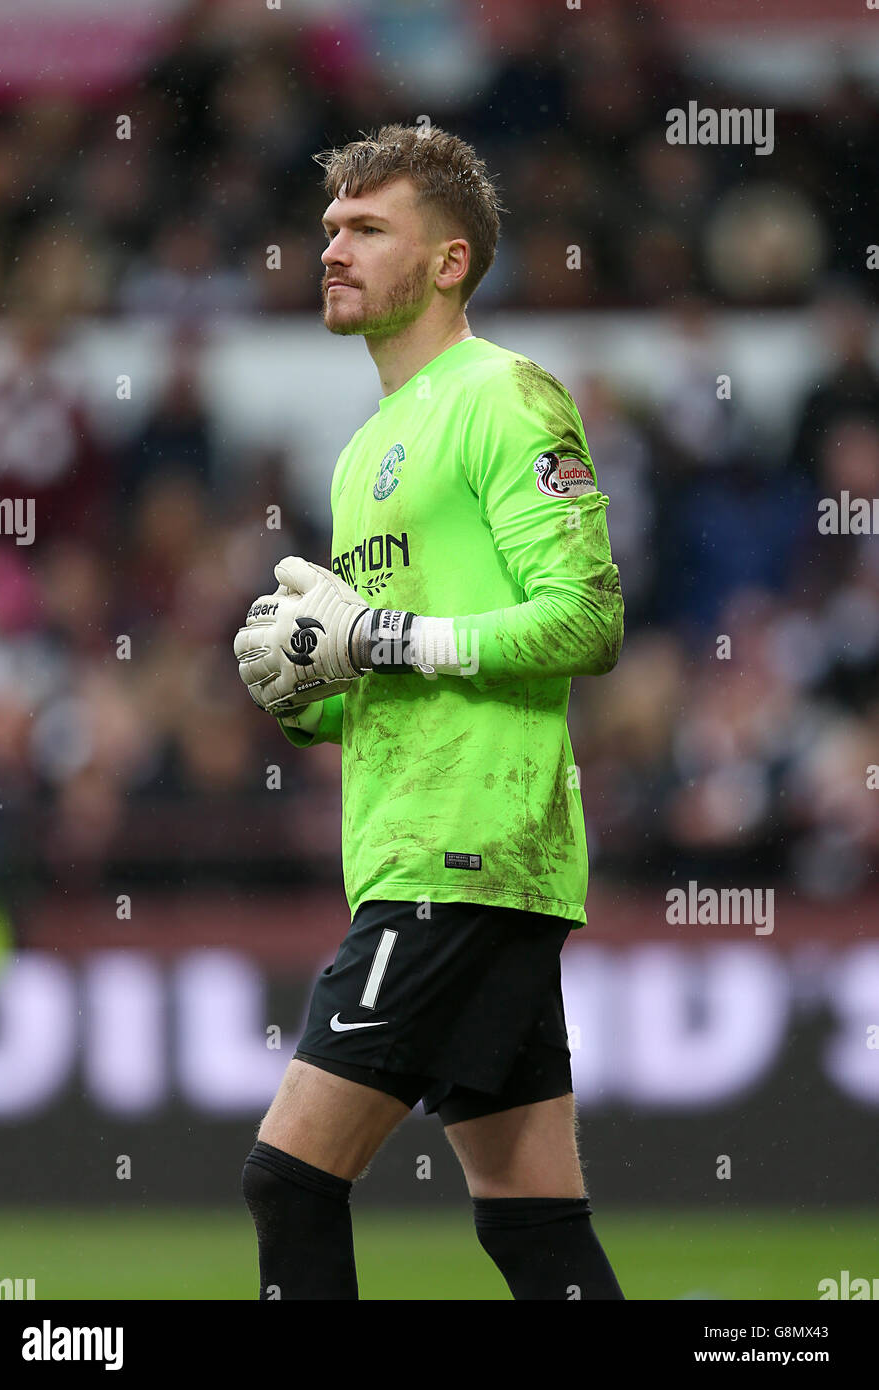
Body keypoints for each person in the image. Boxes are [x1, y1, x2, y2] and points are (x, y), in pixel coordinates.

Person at [234, 123, 625, 1301]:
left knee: (288, 1179)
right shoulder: (363, 454)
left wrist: (384, 637)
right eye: (328, 231)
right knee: (534, 1222)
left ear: (448, 261)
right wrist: (312, 696)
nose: (331, 251)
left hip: (464, 853)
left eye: (366, 230)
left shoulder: (502, 395)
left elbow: (587, 617)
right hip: (423, 847)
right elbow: (402, 673)